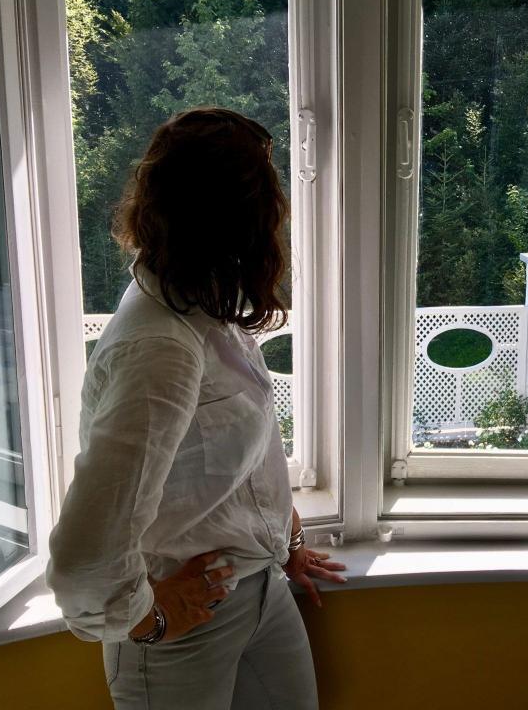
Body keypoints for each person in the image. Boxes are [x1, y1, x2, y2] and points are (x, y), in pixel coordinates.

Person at [47, 107, 345, 710]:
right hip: (184, 628)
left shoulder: (202, 305)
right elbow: (87, 552)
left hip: (259, 589)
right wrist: (145, 621)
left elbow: (238, 449)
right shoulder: (160, 348)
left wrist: (283, 538)